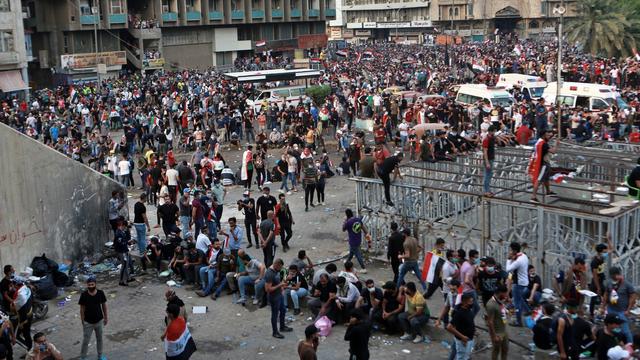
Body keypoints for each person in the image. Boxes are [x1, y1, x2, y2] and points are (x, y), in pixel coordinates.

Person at [601, 266, 636, 344]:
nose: (613, 277)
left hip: (622, 311)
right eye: (612, 276)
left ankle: (631, 346)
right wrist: (603, 307)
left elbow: (633, 296)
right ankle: (611, 344)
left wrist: (628, 309)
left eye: (614, 275)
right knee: (610, 329)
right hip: (611, 309)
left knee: (625, 331)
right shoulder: (609, 283)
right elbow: (606, 294)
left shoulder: (626, 284)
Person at [79, 276, 108, 360]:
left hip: (99, 321)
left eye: (92, 284)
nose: (91, 286)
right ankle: (83, 357)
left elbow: (104, 306)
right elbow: (82, 308)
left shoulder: (100, 293)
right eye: (89, 285)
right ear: (87, 285)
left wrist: (106, 317)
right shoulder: (84, 295)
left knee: (99, 339)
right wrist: (82, 320)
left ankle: (100, 356)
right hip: (88, 322)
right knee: (85, 341)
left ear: (95, 284)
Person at [264, 259, 293, 339]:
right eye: (280, 267)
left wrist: (286, 279)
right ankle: (275, 332)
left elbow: (278, 282)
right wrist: (280, 285)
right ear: (277, 265)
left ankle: (282, 326)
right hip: (273, 297)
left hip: (279, 295)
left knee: (283, 310)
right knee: (275, 314)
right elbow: (268, 289)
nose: (281, 269)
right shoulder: (270, 274)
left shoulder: (276, 271)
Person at [529, 130, 557, 203]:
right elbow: (553, 151)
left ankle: (548, 191)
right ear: (544, 135)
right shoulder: (544, 144)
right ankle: (533, 196)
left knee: (546, 178)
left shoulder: (539, 142)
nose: (549, 137)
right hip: (543, 164)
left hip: (543, 163)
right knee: (539, 180)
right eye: (548, 135)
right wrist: (556, 144)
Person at [506, 241, 529, 326]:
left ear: (515, 251)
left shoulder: (518, 260)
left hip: (518, 283)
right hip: (525, 282)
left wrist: (509, 259)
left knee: (517, 303)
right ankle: (528, 312)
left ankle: (518, 322)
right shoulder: (524, 256)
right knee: (520, 299)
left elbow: (508, 269)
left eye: (511, 250)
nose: (510, 252)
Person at [447, 293, 476, 360]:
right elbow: (449, 327)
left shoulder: (469, 310)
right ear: (463, 302)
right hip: (462, 341)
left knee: (464, 355)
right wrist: (462, 337)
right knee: (462, 357)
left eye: (472, 301)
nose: (471, 303)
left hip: (469, 339)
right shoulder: (459, 313)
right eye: (470, 302)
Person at [485, 285, 509, 360]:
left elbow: (502, 311)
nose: (506, 295)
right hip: (497, 332)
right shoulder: (491, 304)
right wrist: (494, 336)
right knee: (496, 351)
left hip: (504, 330)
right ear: (500, 293)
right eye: (505, 293)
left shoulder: (499, 300)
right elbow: (490, 322)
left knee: (505, 350)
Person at [342, 209, 369, 273]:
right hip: (358, 239)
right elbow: (363, 228)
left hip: (352, 241)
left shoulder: (348, 222)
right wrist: (367, 234)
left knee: (358, 254)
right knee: (351, 252)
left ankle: (363, 268)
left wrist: (345, 221)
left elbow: (343, 229)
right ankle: (347, 263)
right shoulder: (357, 219)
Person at [114, 218, 134, 286]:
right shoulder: (119, 233)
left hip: (125, 250)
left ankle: (127, 278)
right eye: (124, 226)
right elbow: (121, 243)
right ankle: (121, 281)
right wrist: (127, 242)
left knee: (126, 265)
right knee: (124, 265)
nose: (125, 228)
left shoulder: (121, 232)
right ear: (121, 225)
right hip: (122, 251)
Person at [482, 125, 496, 196]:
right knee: (487, 175)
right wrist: (487, 162)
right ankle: (486, 191)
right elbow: (485, 151)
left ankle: (488, 190)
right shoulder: (486, 139)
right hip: (488, 159)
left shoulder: (492, 138)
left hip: (491, 158)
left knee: (489, 175)